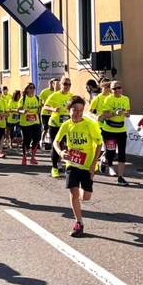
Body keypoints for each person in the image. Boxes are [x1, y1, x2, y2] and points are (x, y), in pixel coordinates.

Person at [53, 96, 102, 238]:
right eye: (75, 110)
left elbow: (99, 144)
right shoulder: (66, 125)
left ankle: (82, 192)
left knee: (86, 197)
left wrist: (93, 163)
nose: (78, 113)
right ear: (69, 110)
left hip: (87, 166)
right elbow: (56, 142)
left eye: (81, 111)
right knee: (73, 193)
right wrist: (61, 152)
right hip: (72, 164)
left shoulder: (89, 124)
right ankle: (78, 222)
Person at [99, 80, 131, 186]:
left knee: (122, 154)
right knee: (111, 153)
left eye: (119, 88)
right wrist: (115, 113)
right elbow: (105, 114)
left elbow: (128, 113)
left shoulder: (125, 99)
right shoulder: (108, 99)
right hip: (109, 130)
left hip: (121, 130)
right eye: (114, 88)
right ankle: (105, 160)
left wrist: (125, 114)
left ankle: (120, 177)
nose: (117, 90)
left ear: (122, 88)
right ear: (111, 90)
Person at [43, 77, 74, 178]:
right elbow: (45, 107)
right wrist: (53, 109)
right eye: (65, 84)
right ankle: (54, 168)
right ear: (61, 84)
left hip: (68, 125)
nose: (67, 86)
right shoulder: (54, 95)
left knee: (70, 146)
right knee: (56, 146)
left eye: (69, 84)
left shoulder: (72, 96)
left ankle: (69, 167)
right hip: (55, 125)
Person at [18, 82, 42, 165]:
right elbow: (19, 110)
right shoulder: (23, 99)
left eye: (33, 88)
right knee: (26, 140)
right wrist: (23, 111)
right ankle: (24, 157)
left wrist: (40, 109)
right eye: (30, 88)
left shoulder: (37, 98)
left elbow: (39, 110)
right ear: (26, 89)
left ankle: (32, 157)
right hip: (25, 124)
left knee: (37, 138)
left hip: (36, 122)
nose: (32, 89)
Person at [39, 78, 58, 147]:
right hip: (44, 113)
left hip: (53, 114)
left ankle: (50, 141)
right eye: (52, 83)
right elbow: (40, 102)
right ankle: (42, 140)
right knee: (45, 128)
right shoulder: (44, 92)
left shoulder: (56, 93)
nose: (53, 85)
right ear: (50, 83)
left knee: (51, 127)